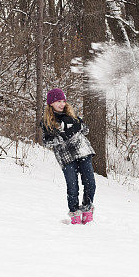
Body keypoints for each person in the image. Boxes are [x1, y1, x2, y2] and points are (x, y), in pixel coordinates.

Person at [41, 88, 97, 225]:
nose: (62, 104)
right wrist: (66, 134)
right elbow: (47, 141)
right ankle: (75, 215)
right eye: (58, 101)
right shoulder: (47, 121)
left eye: (63, 101)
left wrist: (78, 123)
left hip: (82, 151)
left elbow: (86, 130)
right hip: (66, 157)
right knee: (73, 187)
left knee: (90, 183)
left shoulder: (70, 115)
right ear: (51, 103)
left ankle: (87, 210)